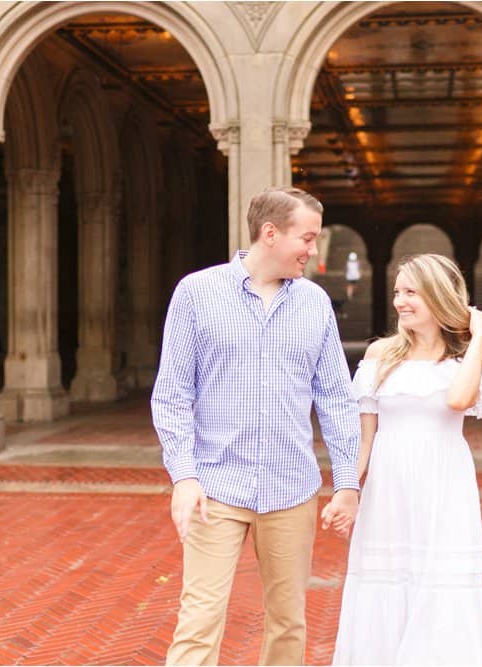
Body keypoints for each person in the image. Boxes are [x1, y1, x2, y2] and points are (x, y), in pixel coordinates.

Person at [152, 186, 361, 666]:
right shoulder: (196, 293)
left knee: (288, 622)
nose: (313, 250)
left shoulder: (314, 304)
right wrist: (183, 476)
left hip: (291, 490)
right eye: (307, 238)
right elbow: (172, 394)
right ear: (270, 233)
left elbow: (335, 399)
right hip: (215, 489)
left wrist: (346, 483)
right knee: (200, 618)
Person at [330, 253, 482, 666]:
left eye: (411, 292)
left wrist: (478, 334)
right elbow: (365, 439)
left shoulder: (468, 359)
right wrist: (347, 490)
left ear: (438, 296)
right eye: (397, 292)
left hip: (445, 486)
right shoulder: (380, 356)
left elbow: (459, 400)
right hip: (388, 488)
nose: (400, 301)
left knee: (440, 586)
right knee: (385, 583)